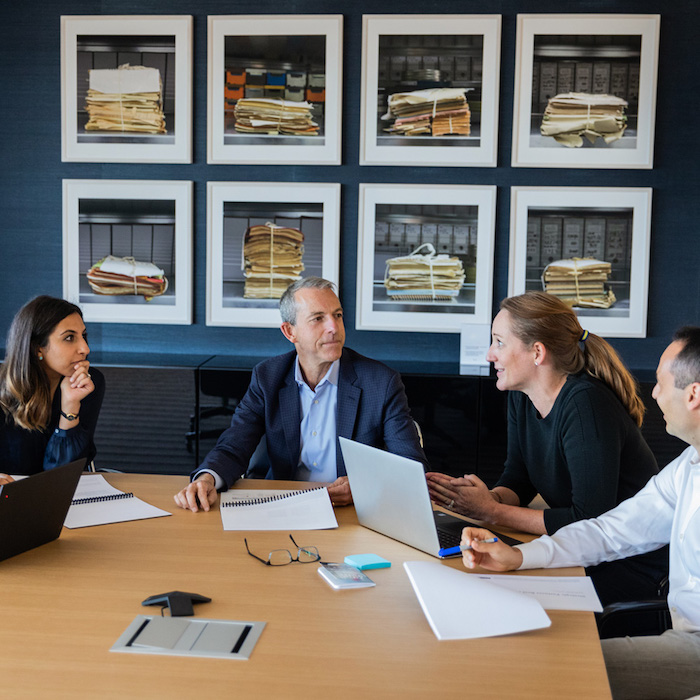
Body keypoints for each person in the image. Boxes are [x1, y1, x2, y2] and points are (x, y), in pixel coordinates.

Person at [459, 327, 700, 700]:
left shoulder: (586, 402)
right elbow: (608, 531)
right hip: (681, 632)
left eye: (659, 383)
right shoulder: (687, 466)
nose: (653, 394)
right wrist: (520, 556)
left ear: (693, 395)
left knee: (556, 668)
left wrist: (495, 515)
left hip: (693, 648)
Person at [427, 291, 667, 605]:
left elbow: (590, 518)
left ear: (537, 352)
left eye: (499, 342)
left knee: (498, 597)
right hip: (579, 549)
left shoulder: (585, 405)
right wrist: (489, 498)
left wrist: (492, 512)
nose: (490, 354)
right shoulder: (522, 395)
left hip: (629, 564)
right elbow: (519, 476)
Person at [174, 277, 427, 512]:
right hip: (285, 504)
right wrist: (207, 478)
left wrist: (364, 485)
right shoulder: (268, 377)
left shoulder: (380, 382)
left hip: (354, 511)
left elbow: (411, 467)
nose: (333, 327)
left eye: (337, 315)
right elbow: (235, 444)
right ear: (289, 332)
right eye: (318, 318)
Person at [0, 295, 105, 480]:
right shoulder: (3, 386)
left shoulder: (88, 382)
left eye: (84, 336)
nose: (85, 348)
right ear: (37, 348)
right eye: (69, 337)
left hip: (63, 497)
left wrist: (70, 406)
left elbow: (61, 476)